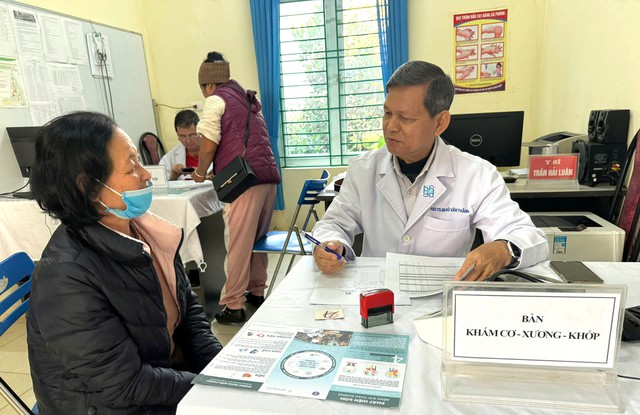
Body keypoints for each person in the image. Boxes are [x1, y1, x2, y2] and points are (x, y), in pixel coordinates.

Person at [28, 111, 222, 414]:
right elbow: (124, 386)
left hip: (160, 378)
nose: (145, 174)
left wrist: (222, 370)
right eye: (131, 166)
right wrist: (207, 388)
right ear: (87, 187)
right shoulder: (64, 275)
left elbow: (188, 312)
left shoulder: (145, 231)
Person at [312, 60, 548, 281]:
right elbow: (334, 223)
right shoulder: (363, 169)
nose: (390, 126)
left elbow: (530, 237)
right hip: (377, 292)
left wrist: (502, 249)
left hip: (442, 300)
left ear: (440, 123)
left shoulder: (478, 175)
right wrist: (331, 243)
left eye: (405, 118)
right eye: (387, 113)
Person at [192, 51, 280, 323]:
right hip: (267, 178)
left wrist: (199, 172)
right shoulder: (247, 98)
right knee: (256, 240)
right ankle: (256, 291)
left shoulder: (216, 100)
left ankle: (233, 305)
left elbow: (209, 142)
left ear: (208, 85)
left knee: (238, 244)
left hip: (244, 180)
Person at [159, 109, 212, 180]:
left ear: (200, 131)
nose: (188, 140)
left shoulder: (214, 149)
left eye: (192, 135)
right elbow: (160, 183)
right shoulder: (170, 157)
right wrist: (173, 177)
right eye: (183, 136)